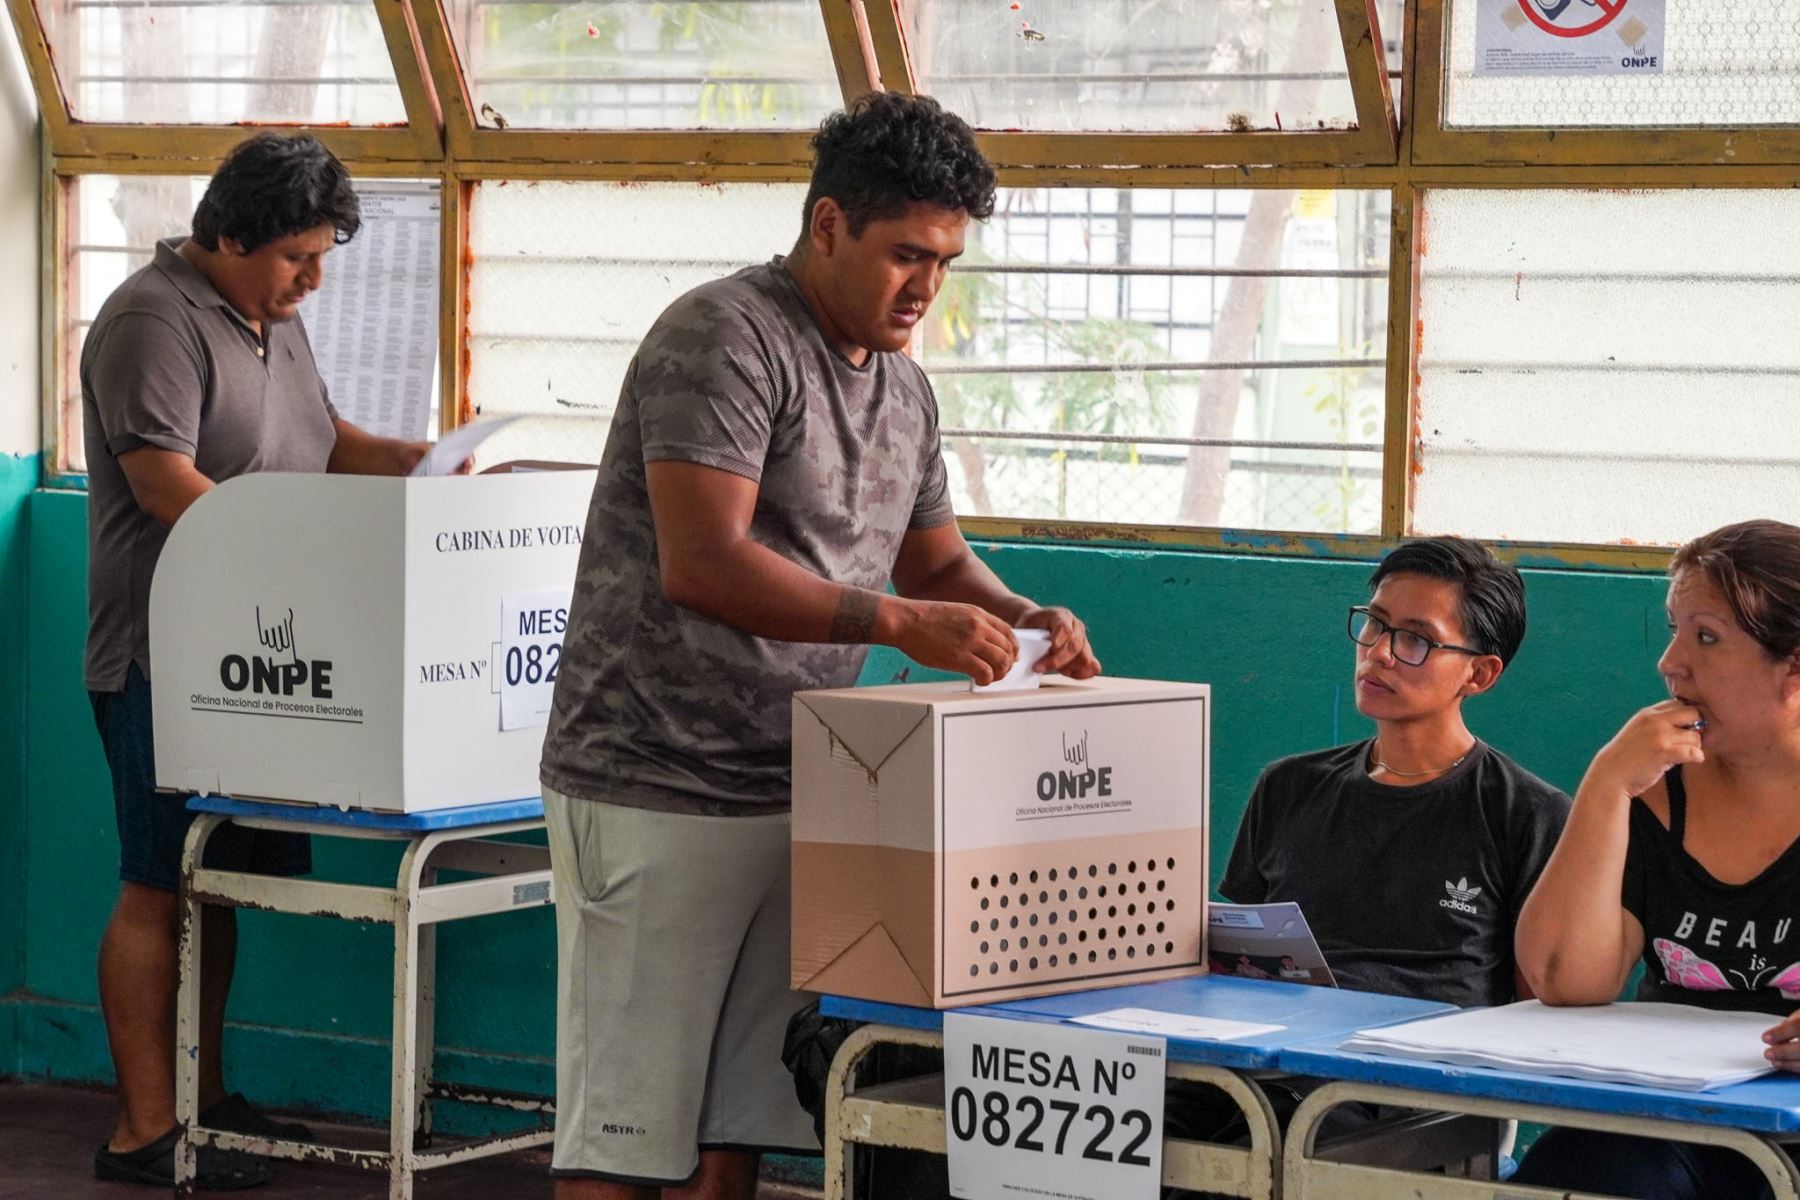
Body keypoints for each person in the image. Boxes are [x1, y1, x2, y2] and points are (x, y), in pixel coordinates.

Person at [537, 93, 1099, 1200]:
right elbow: (704, 561)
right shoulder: (723, 336)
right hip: (656, 780)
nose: (926, 289)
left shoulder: (904, 388)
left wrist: (1019, 615)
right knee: (625, 1129)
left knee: (737, 1118)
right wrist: (896, 624)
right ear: (828, 224)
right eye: (905, 255)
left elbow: (933, 565)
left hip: (802, 786)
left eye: (945, 261)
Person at [84, 133, 449, 1189]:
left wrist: (443, 466)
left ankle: (194, 1093)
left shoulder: (269, 321)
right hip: (163, 653)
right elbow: (166, 484)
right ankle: (141, 1130)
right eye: (297, 255)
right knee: (157, 882)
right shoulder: (152, 321)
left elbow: (327, 445)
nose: (315, 279)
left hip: (258, 656)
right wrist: (302, 561)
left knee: (217, 883)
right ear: (227, 234)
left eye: (325, 254)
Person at [1513, 519, 1800, 1199]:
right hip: (1674, 1131)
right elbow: (1565, 979)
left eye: (1706, 637)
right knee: (1575, 1174)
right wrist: (1607, 784)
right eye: (1674, 630)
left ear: (1794, 665)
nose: (1671, 663)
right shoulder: (1657, 796)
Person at [1222, 536, 1570, 1009]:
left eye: (1415, 639)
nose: (1379, 652)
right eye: (1375, 623)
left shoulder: (1528, 815)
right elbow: (1240, 969)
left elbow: (1540, 1011)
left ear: (1480, 674)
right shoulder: (1287, 788)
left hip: (1423, 1079)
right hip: (1274, 1071)